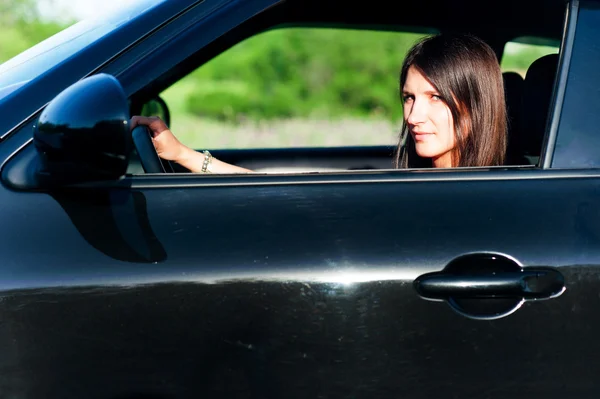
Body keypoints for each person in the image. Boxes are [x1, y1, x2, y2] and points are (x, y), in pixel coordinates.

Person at [130, 33, 507, 172]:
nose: (413, 115)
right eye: (409, 97)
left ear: (476, 105)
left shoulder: (487, 195)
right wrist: (181, 154)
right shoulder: (411, 181)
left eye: (435, 98)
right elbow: (280, 191)